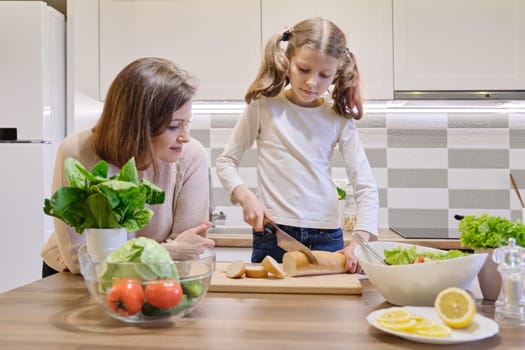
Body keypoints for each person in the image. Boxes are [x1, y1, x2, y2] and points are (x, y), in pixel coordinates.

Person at [216, 17, 378, 273]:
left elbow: (366, 187)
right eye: (304, 69)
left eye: (325, 75)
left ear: (337, 73)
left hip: (328, 238)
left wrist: (360, 241)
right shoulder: (264, 106)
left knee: (332, 311)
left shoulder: (338, 117)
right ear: (287, 60)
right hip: (275, 234)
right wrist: (245, 197)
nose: (313, 82)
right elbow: (226, 162)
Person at [41, 57, 215, 277]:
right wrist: (170, 250)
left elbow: (189, 250)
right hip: (69, 279)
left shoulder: (192, 156)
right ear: (138, 125)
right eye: (174, 126)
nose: (185, 137)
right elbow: (78, 261)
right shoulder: (76, 151)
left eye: (187, 122)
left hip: (156, 277)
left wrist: (102, 258)